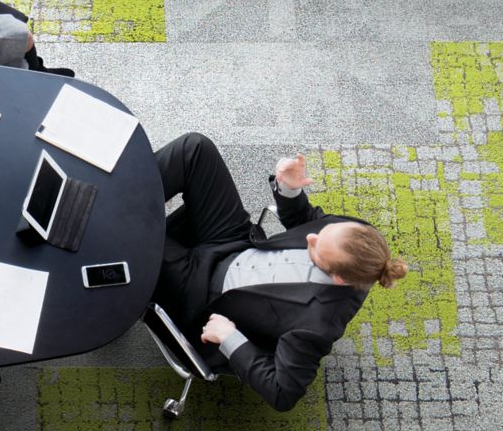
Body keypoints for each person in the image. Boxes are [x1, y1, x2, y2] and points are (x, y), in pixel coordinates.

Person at [151, 131, 408, 412]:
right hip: (235, 243)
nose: (310, 238)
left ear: (338, 278)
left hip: (204, 292)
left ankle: (118, 215)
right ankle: (122, 194)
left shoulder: (316, 325)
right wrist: (291, 190)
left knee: (138, 234)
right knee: (196, 149)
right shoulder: (359, 235)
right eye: (323, 232)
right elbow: (305, 220)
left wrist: (229, 337)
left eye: (317, 251)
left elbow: (283, 393)